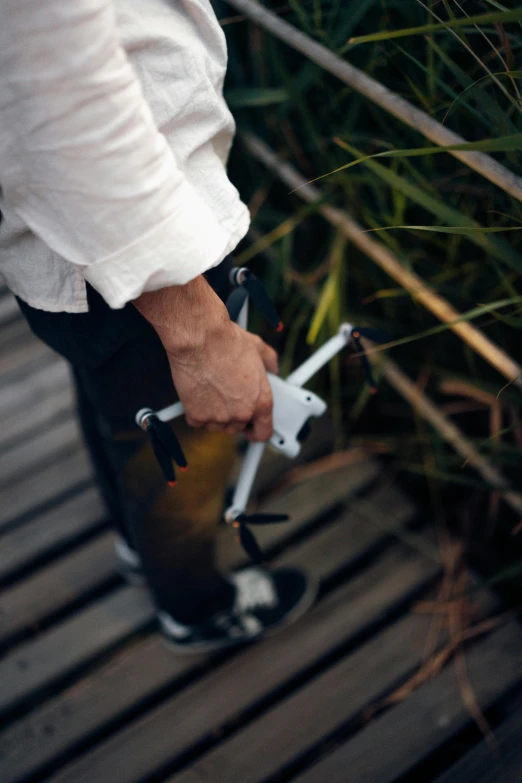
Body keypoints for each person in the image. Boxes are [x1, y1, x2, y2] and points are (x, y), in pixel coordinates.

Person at [0, 0, 316, 652]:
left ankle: (137, 542)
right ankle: (195, 606)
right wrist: (196, 330)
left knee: (121, 407)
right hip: (134, 244)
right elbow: (65, 100)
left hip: (65, 243)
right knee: (175, 447)